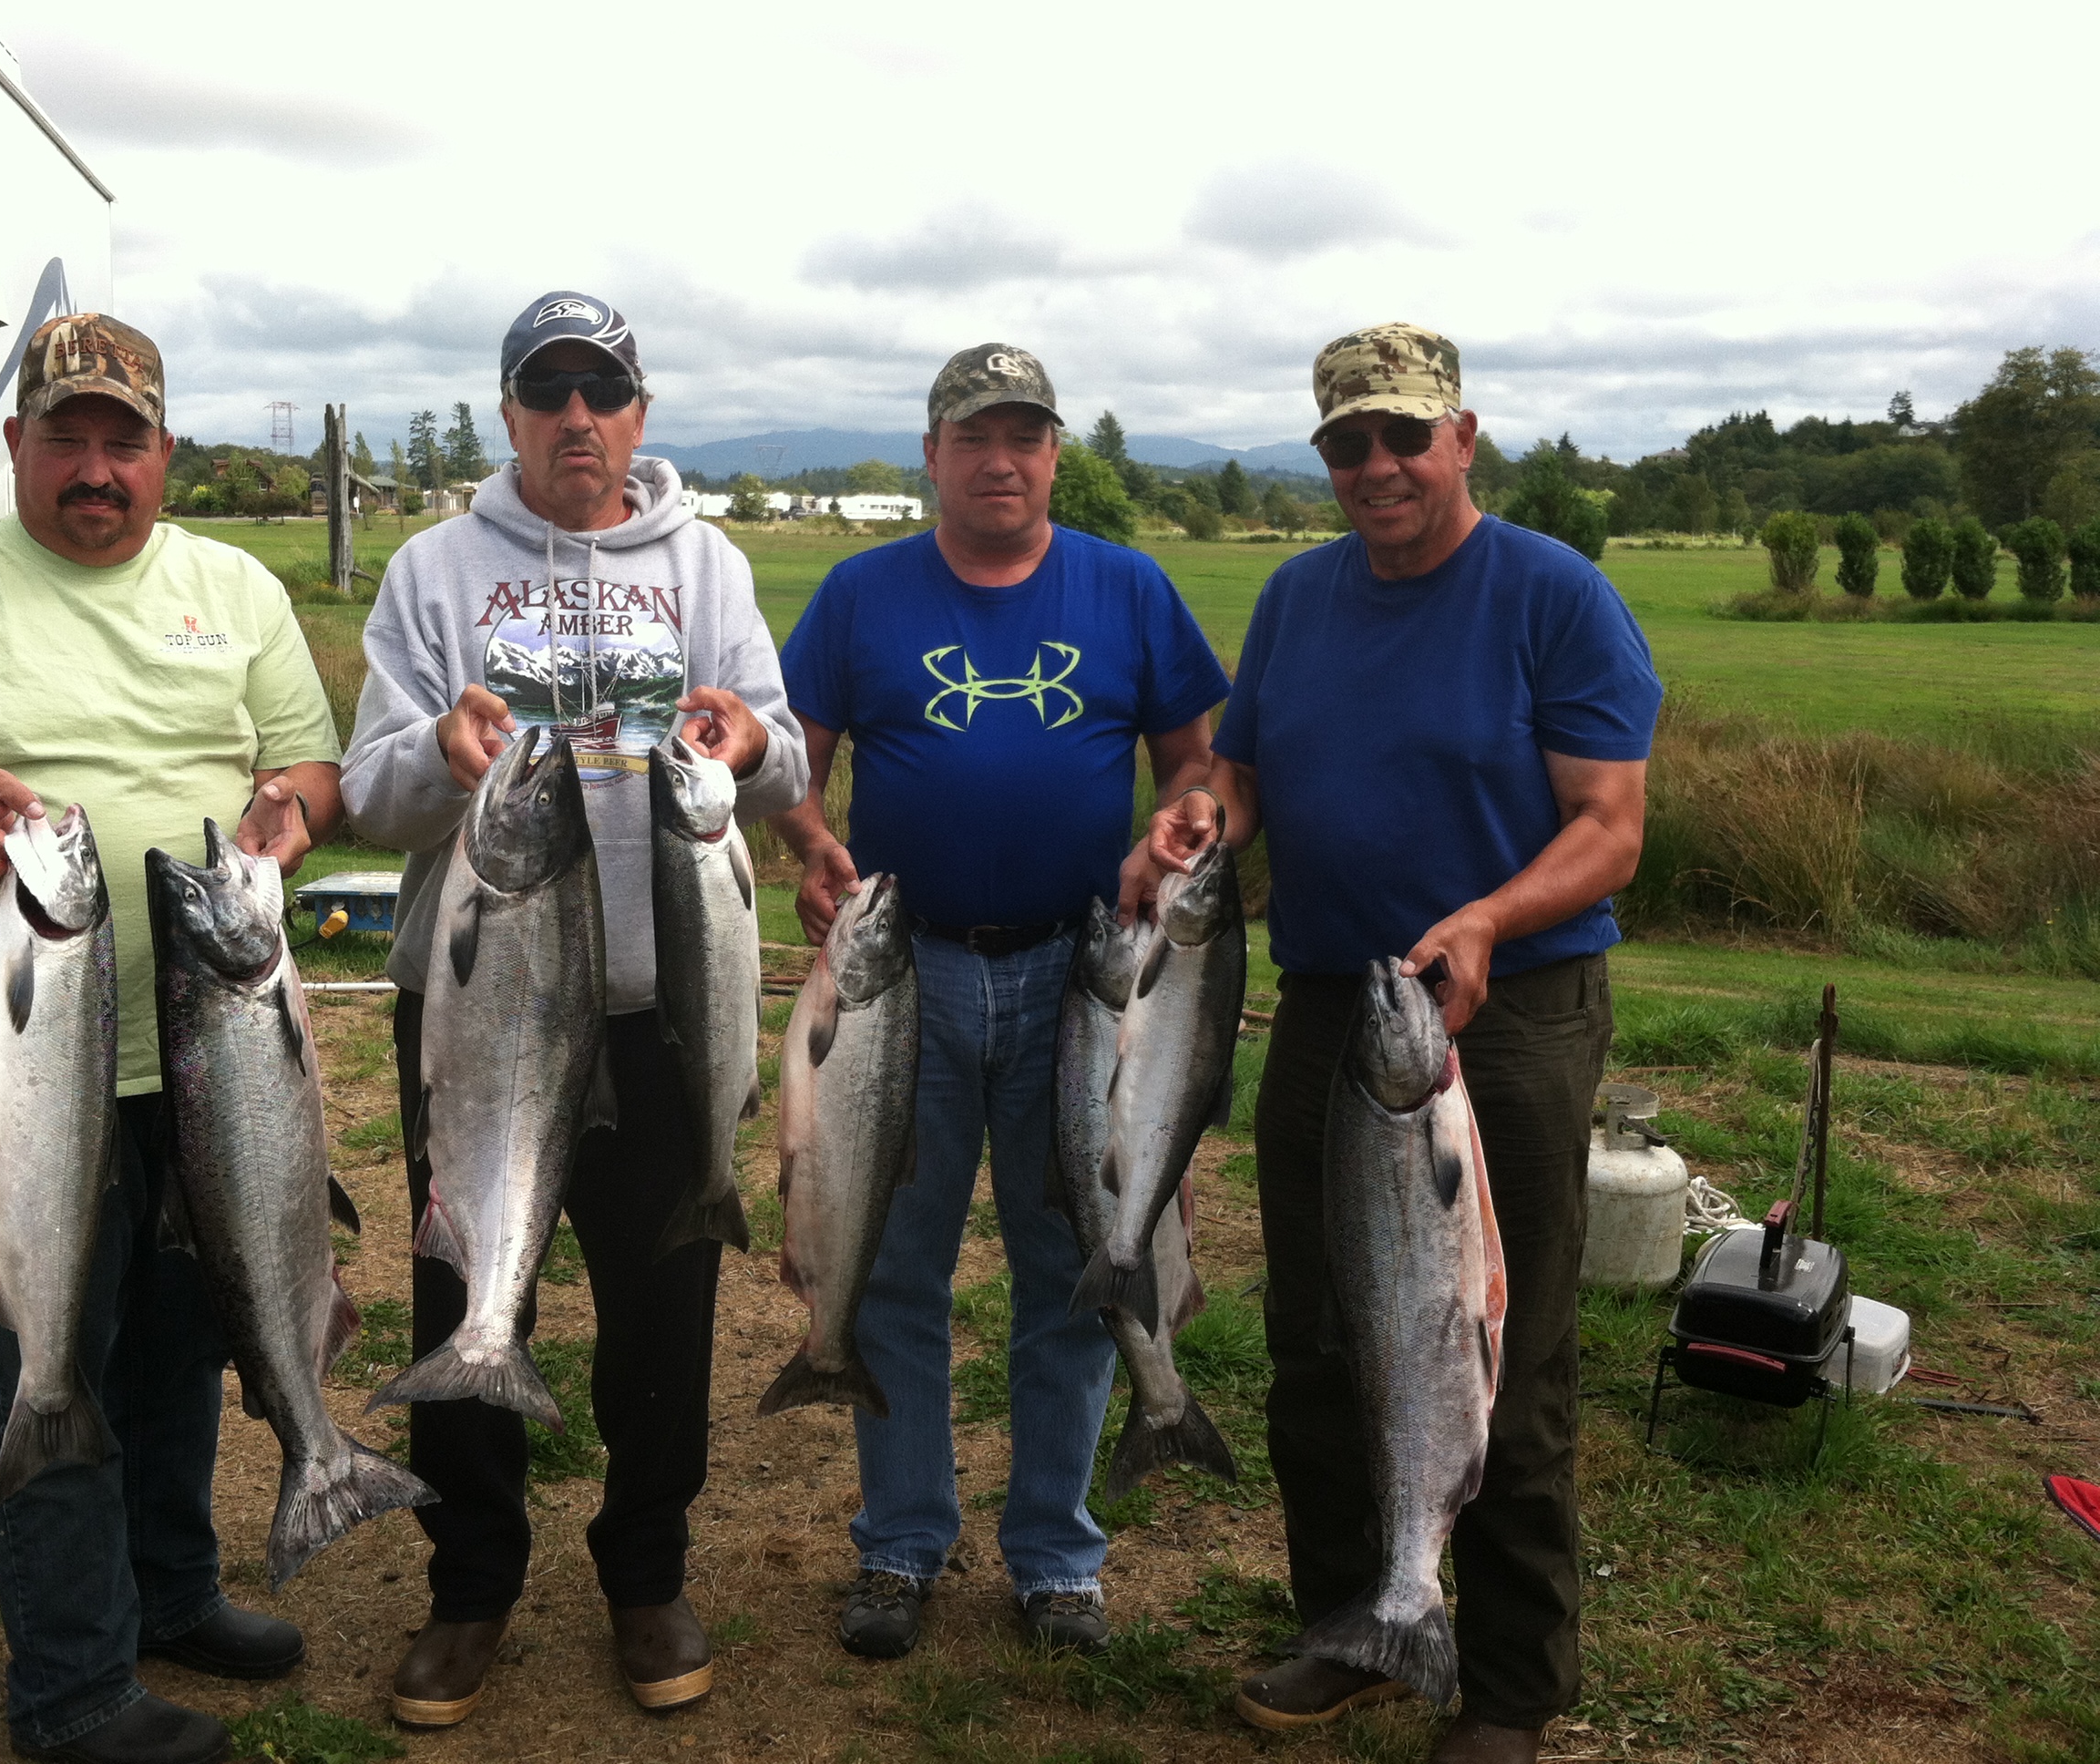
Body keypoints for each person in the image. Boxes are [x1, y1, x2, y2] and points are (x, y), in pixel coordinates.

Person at [0, 313, 345, 1764]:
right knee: (49, 1365)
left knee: (184, 1352)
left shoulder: (233, 587)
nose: (95, 469)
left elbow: (305, 759)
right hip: (18, 1089)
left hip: (212, 1060)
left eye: (124, 440)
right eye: (68, 438)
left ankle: (172, 1596)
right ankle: (72, 1689)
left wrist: (291, 810)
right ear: (17, 445)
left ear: (163, 452)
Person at [1128, 323, 1659, 1763]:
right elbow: (1240, 772)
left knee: (1497, 1350)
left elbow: (1609, 829)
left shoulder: (1554, 596)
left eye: (1402, 438)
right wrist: (1200, 820)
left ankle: (1504, 1689)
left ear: (1463, 437)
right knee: (1319, 1339)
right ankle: (1359, 1623)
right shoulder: (1300, 601)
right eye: (1346, 444)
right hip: (1331, 1006)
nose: (1376, 468)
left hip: (1509, 1013)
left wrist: (1486, 915)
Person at [341, 290, 807, 1727]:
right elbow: (370, 791)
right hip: (480, 1014)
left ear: (641, 415)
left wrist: (749, 740)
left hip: (662, 1018)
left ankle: (645, 1572)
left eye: (603, 392)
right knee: (470, 1286)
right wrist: (438, 745)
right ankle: (469, 1588)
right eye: (548, 393)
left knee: (664, 1312)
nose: (577, 419)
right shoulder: (433, 569)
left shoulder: (709, 565)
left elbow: (780, 758)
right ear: (510, 416)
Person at [770, 344, 1231, 1660]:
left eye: (1026, 435)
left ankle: (1055, 1557)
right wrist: (810, 846)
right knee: (892, 1266)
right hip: (899, 980)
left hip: (1081, 982)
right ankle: (902, 1544)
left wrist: (1183, 817)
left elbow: (1194, 755)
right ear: (932, 454)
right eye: (975, 436)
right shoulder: (862, 595)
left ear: (1051, 454)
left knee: (1079, 1264)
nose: (1001, 459)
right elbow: (796, 763)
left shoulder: (1127, 587)